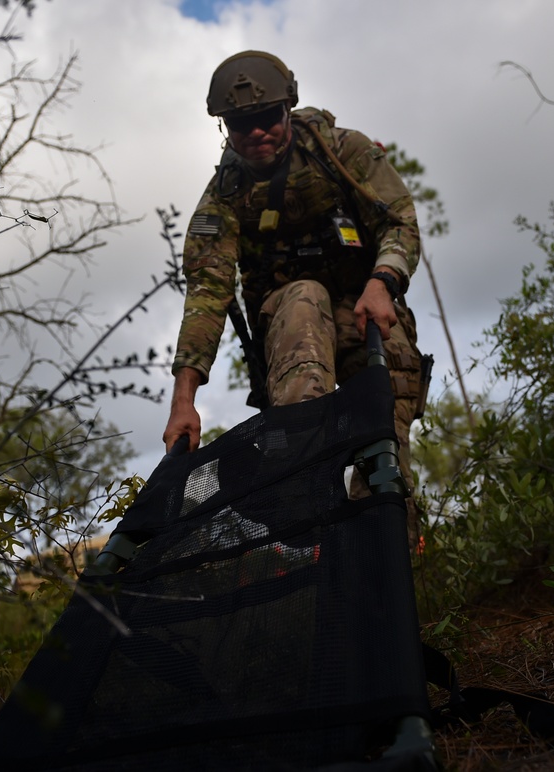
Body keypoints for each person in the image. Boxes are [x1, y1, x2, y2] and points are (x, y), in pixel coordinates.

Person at [162, 50, 424, 544]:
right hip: (293, 329)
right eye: (242, 125)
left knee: (386, 468)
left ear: (287, 110)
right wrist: (184, 401)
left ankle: (394, 580)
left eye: (266, 119)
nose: (257, 133)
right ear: (225, 128)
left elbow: (400, 221)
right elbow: (206, 295)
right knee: (303, 296)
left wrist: (382, 280)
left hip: (371, 320)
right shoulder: (223, 196)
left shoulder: (343, 153)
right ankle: (304, 474)